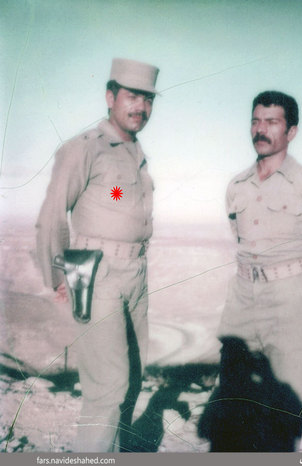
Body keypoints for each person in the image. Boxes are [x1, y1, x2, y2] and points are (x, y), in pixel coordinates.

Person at [35, 58, 159, 452]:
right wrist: (59, 278)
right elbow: (52, 216)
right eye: (132, 96)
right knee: (107, 387)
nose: (140, 106)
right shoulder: (84, 148)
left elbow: (113, 200)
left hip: (135, 273)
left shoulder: (134, 153)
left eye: (148, 99)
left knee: (132, 378)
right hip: (94, 272)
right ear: (110, 97)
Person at [217, 90, 302, 445]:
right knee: (234, 400)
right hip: (242, 297)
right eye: (256, 121)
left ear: (291, 131)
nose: (261, 129)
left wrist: (296, 280)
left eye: (272, 122)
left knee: (284, 411)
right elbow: (238, 235)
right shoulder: (236, 185)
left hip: (291, 300)